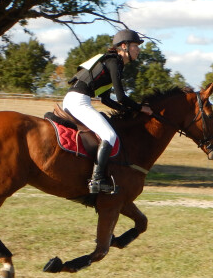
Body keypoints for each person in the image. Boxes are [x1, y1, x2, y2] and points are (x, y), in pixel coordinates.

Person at [63, 29, 153, 194]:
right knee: (110, 136)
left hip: (73, 99)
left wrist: (128, 111)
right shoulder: (115, 62)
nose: (138, 50)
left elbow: (106, 99)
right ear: (124, 46)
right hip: (79, 101)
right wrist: (140, 108)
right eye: (135, 46)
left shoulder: (111, 62)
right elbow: (120, 97)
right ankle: (97, 180)